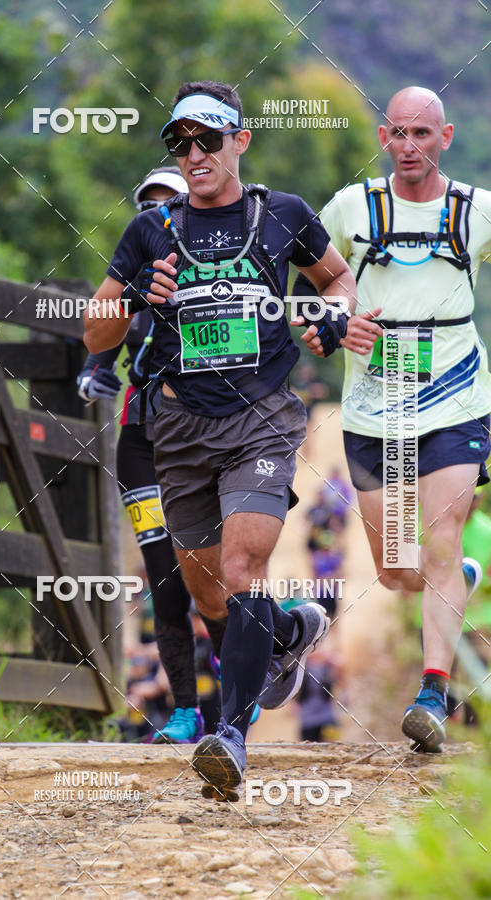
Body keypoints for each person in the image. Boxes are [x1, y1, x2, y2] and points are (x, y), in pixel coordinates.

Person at [85, 80, 357, 799]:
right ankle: (285, 635)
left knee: (241, 571)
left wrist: (331, 317)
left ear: (240, 140)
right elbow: (95, 331)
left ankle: (230, 735)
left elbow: (338, 281)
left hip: (261, 419)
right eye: (181, 141)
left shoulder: (283, 216)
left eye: (209, 138)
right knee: (207, 590)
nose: (195, 153)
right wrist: (138, 293)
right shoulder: (151, 230)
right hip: (178, 426)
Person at [295, 86, 491, 752]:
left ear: (446, 137)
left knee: (438, 540)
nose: (409, 146)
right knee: (397, 569)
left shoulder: (475, 212)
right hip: (377, 406)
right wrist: (331, 326)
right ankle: (457, 579)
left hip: (457, 396)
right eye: (398, 134)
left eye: (422, 134)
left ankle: (432, 696)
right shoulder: (352, 208)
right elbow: (315, 288)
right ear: (384, 139)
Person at [78, 167, 209, 745]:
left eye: (171, 203)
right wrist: (92, 372)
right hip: (141, 435)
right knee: (163, 573)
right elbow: (102, 338)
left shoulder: (215, 267)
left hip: (208, 433)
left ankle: (261, 662)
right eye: (149, 206)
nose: (160, 215)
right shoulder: (131, 280)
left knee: (214, 570)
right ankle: (186, 711)